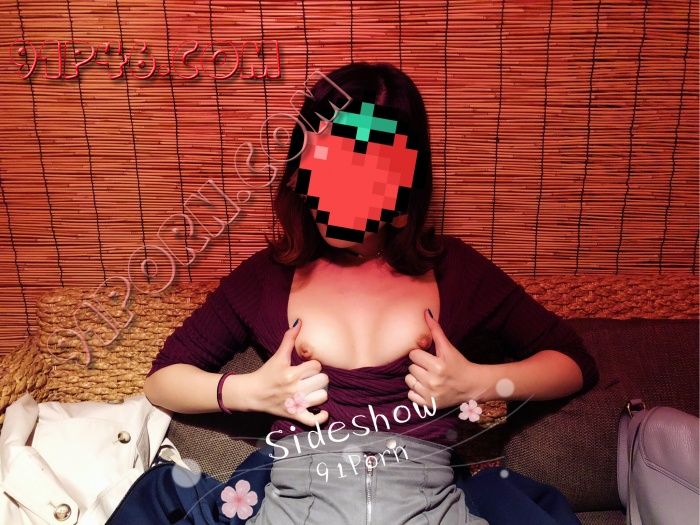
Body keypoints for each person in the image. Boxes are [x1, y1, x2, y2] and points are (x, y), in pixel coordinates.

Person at [113, 62, 598, 525]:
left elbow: (572, 363)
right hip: (298, 503)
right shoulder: (268, 276)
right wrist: (249, 391)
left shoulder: (454, 270)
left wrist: (476, 382)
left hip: (428, 504)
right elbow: (162, 382)